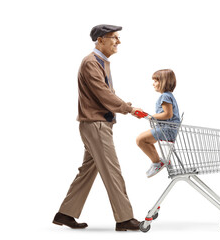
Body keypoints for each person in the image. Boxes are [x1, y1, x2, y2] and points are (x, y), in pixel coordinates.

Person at [53, 24, 142, 231]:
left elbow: (104, 94)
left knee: (88, 171)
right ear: (100, 40)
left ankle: (65, 214)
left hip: (97, 124)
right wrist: (128, 108)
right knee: (112, 171)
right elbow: (103, 94)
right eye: (114, 38)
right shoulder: (91, 63)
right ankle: (124, 219)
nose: (118, 42)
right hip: (96, 125)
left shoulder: (100, 62)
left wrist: (123, 107)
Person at [136, 69, 180, 178]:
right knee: (142, 139)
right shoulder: (168, 96)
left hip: (168, 129)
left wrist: (151, 116)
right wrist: (146, 115)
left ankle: (158, 162)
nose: (153, 84)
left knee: (140, 140)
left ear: (164, 82)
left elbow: (168, 114)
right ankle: (158, 161)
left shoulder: (165, 96)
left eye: (156, 81)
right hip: (167, 129)